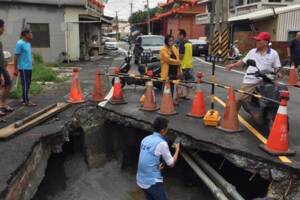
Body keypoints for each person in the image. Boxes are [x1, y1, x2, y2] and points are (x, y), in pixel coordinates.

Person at [225, 32, 281, 112]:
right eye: (256, 40)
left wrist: (278, 73)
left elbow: (277, 67)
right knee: (238, 99)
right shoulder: (252, 52)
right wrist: (232, 65)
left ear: (265, 42)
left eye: (259, 40)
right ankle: (232, 118)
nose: (256, 42)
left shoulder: (273, 54)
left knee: (277, 97)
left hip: (266, 80)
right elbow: (243, 62)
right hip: (251, 80)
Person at [136, 117, 180, 200]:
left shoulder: (145, 139)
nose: (168, 130)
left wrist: (157, 168)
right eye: (167, 128)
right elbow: (171, 164)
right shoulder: (162, 143)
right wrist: (177, 150)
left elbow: (145, 160)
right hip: (152, 182)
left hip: (140, 179)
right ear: (162, 131)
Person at [14, 29, 36, 106]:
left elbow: (31, 52)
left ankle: (24, 98)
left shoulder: (28, 43)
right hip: (23, 67)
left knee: (28, 83)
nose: (31, 34)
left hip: (29, 67)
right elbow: (16, 56)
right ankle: (26, 101)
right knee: (25, 84)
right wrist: (15, 68)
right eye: (30, 33)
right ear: (26, 34)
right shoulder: (19, 43)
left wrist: (33, 59)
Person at [160, 35, 181, 99]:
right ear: (166, 41)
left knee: (172, 87)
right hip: (167, 72)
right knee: (166, 88)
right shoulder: (163, 49)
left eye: (172, 40)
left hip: (174, 71)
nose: (171, 42)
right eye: (169, 41)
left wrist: (180, 71)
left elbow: (178, 59)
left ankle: (170, 101)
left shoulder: (174, 48)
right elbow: (167, 59)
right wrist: (177, 62)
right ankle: (165, 102)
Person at [0, 19, 14, 116]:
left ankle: (3, 104)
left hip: (2, 66)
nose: (4, 29)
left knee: (8, 83)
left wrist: (4, 62)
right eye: (3, 27)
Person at [177, 29, 193, 99]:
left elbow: (181, 56)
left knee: (182, 80)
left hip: (183, 65)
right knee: (188, 80)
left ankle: (182, 95)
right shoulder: (189, 43)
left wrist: (176, 54)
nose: (177, 37)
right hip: (189, 65)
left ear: (182, 35)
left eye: (178, 35)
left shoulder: (182, 43)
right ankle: (186, 95)